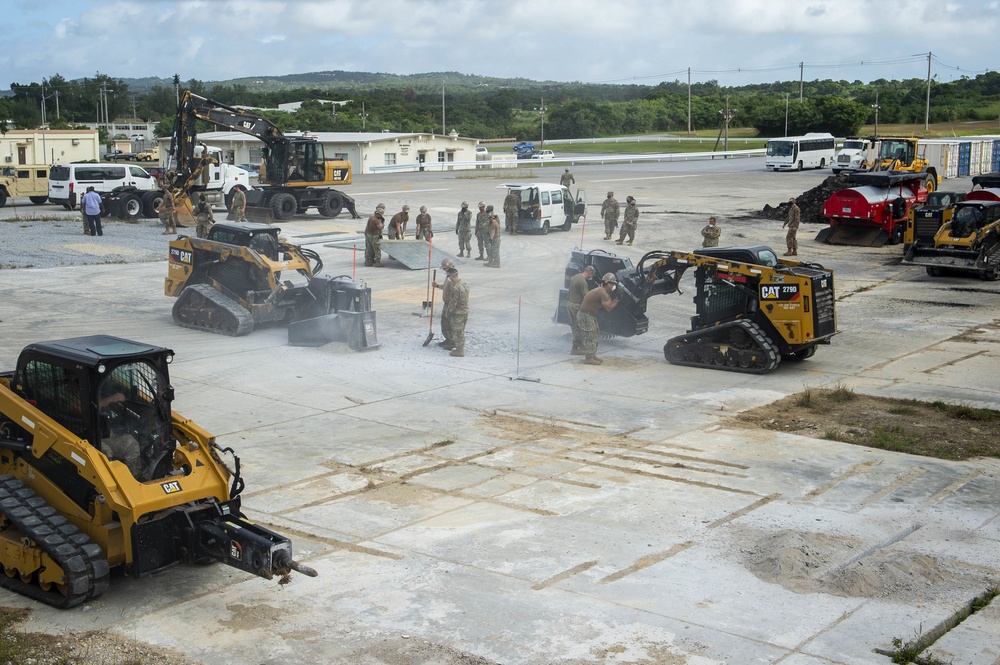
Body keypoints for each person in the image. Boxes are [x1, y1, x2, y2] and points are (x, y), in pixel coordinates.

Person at [577, 273, 621, 365]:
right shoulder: (602, 292)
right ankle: (588, 358)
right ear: (606, 283)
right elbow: (609, 308)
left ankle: (592, 355)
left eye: (614, 284)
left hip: (590, 315)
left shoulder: (602, 291)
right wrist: (618, 299)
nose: (613, 286)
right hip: (585, 316)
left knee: (596, 335)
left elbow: (607, 301)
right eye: (611, 284)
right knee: (591, 336)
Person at [566, 265, 596, 355]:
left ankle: (575, 348)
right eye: (591, 275)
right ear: (589, 273)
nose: (591, 277)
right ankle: (578, 348)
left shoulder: (576, 277)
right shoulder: (583, 282)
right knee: (580, 327)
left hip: (569, 304)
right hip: (576, 306)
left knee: (574, 326)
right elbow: (586, 297)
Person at [445, 268, 469, 357]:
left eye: (448, 276)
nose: (448, 278)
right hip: (464, 311)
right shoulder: (465, 285)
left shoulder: (456, 288)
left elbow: (453, 303)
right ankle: (460, 348)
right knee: (461, 331)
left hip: (457, 313)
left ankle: (459, 350)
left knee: (457, 332)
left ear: (453, 276)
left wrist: (448, 313)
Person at [433, 258, 455, 349]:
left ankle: (452, 341)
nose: (444, 270)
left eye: (444, 268)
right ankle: (448, 339)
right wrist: (437, 286)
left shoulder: (453, 278)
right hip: (446, 303)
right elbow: (446, 288)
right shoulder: (448, 277)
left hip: (450, 304)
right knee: (444, 322)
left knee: (450, 323)